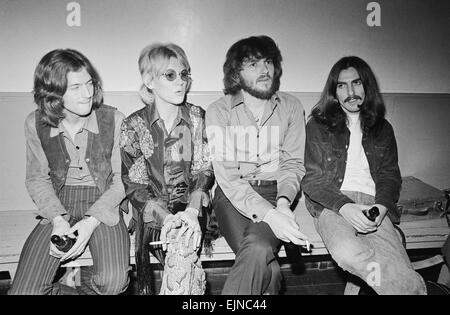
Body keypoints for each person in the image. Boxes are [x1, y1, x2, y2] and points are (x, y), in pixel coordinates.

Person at [301, 56, 427, 294]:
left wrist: (382, 207)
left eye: (356, 83)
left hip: (374, 204)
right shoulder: (318, 125)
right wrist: (345, 207)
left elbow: (390, 175)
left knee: (396, 264)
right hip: (333, 203)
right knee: (349, 252)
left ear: (367, 86)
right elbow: (312, 180)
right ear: (334, 92)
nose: (350, 92)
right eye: (341, 85)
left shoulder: (383, 128)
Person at [9, 49, 130, 295]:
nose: (87, 93)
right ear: (53, 92)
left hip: (103, 201)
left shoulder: (114, 119)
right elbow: (36, 179)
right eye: (75, 88)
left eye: (89, 84)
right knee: (24, 292)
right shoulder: (35, 123)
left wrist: (90, 222)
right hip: (59, 201)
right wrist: (57, 219)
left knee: (113, 281)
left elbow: (121, 181)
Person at [205, 35, 309, 295]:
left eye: (268, 62)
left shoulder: (292, 106)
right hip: (232, 196)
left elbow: (293, 163)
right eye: (252, 64)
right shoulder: (218, 111)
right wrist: (272, 216)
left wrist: (283, 203)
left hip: (276, 192)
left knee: (264, 261)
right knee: (264, 258)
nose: (264, 70)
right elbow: (228, 178)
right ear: (236, 73)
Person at [120, 43, 215, 295]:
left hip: (191, 209)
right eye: (170, 75)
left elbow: (203, 170)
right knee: (177, 248)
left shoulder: (197, 117)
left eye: (184, 74)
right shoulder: (134, 125)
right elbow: (135, 184)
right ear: (149, 80)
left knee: (182, 251)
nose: (180, 82)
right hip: (152, 212)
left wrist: (193, 211)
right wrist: (166, 218)